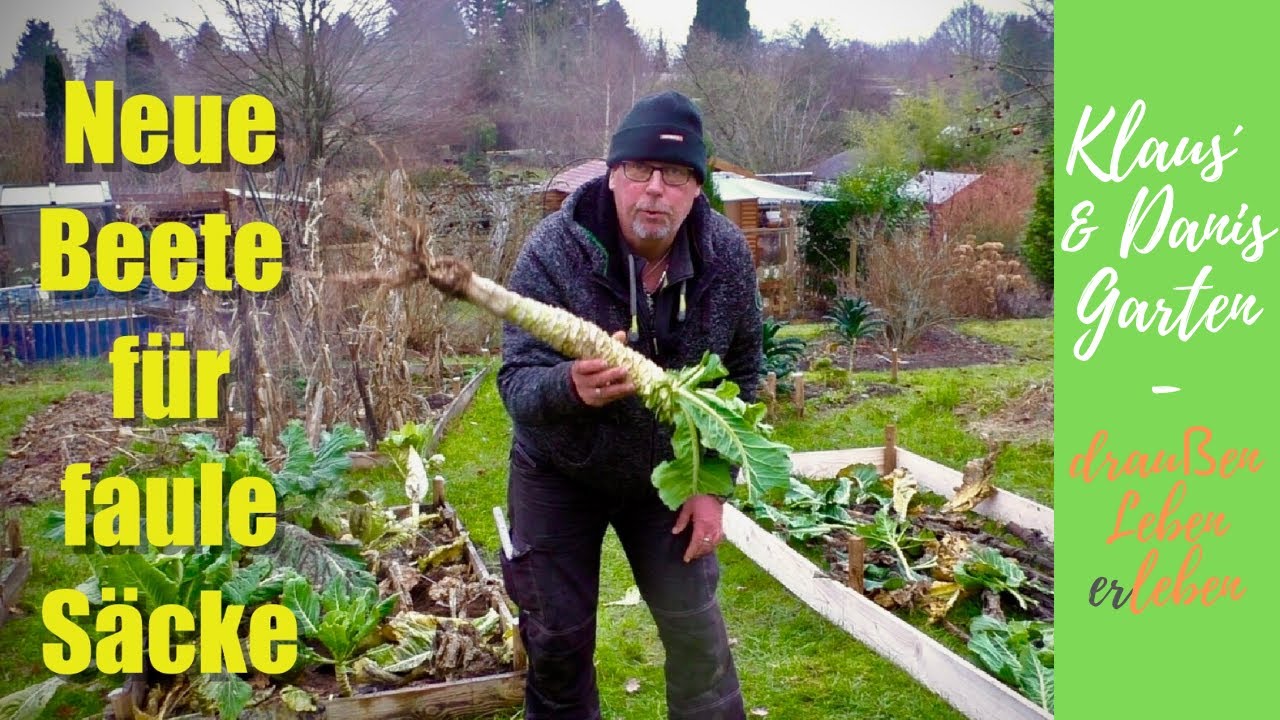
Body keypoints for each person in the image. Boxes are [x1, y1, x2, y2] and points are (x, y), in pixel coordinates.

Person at [497, 90, 762, 720]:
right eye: (639, 170)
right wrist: (571, 387)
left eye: (675, 175)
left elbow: (744, 373)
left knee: (698, 636)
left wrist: (710, 485)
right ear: (612, 175)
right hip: (559, 471)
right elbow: (515, 382)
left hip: (666, 477)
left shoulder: (726, 258)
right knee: (557, 642)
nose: (654, 190)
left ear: (697, 188)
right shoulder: (554, 252)